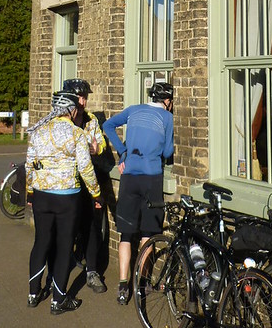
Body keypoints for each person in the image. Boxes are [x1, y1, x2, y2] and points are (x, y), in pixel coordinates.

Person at [26, 91, 102, 315]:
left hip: (41, 194)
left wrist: (30, 191)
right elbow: (86, 168)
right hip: (67, 197)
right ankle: (58, 300)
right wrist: (96, 194)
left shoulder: (38, 132)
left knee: (41, 242)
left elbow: (29, 165)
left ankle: (33, 294)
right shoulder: (76, 134)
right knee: (63, 247)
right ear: (71, 110)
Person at [102, 81, 174, 305]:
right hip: (152, 178)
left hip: (129, 178)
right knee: (148, 234)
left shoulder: (133, 110)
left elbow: (107, 126)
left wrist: (123, 151)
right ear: (167, 101)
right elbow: (168, 151)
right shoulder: (167, 118)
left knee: (125, 234)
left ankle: (123, 285)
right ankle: (142, 283)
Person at [62, 77, 110, 294]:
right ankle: (58, 274)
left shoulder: (91, 121)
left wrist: (96, 149)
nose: (83, 101)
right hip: (65, 183)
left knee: (92, 227)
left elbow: (101, 145)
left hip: (89, 182)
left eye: (85, 97)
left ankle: (92, 271)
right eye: (80, 97)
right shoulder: (60, 121)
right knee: (65, 228)